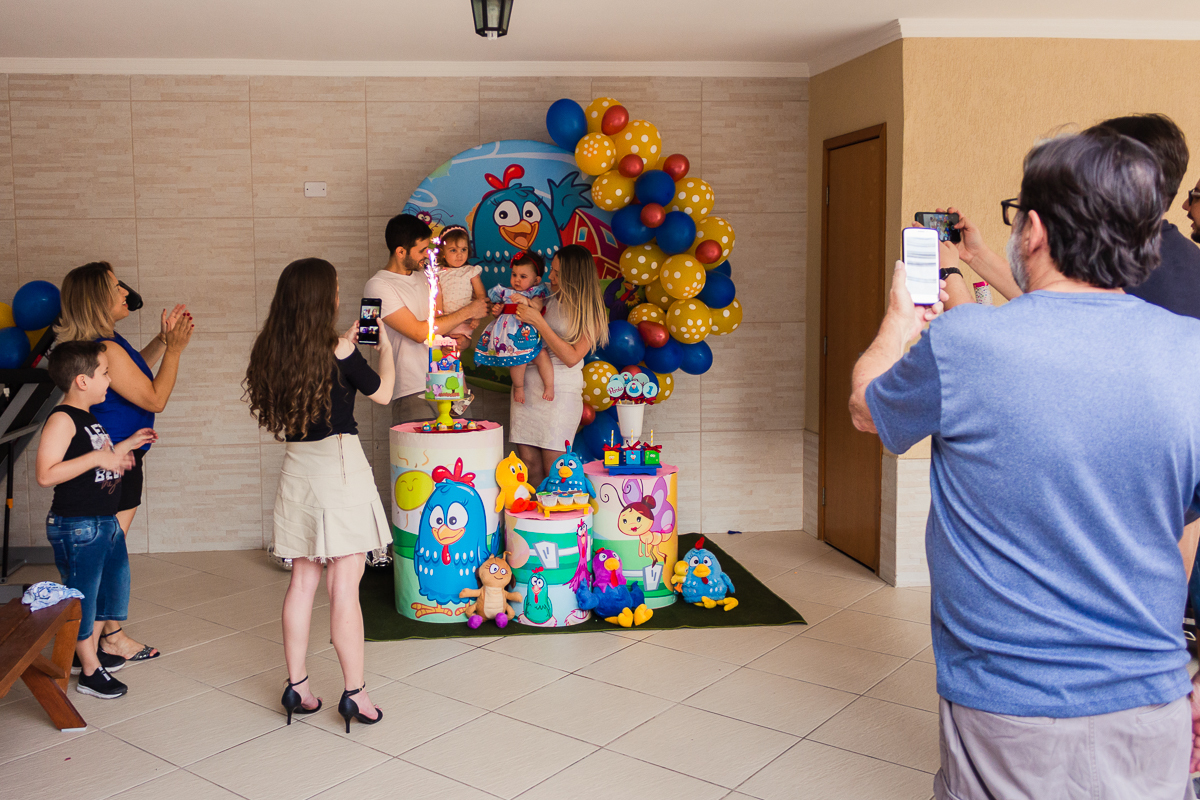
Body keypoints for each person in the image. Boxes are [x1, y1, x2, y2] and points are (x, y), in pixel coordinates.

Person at [848, 130, 1200, 799]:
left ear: (1033, 231)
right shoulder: (1193, 352)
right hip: (1153, 706)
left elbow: (868, 410)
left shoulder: (966, 342)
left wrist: (898, 319)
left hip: (1007, 710)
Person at [244, 258, 395, 731]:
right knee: (343, 587)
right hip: (340, 470)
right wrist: (385, 346)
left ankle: (297, 687)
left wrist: (347, 348)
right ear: (321, 298)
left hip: (297, 472)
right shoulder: (340, 349)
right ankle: (355, 694)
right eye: (334, 289)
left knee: (303, 581)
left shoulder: (271, 350)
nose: (338, 295)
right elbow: (383, 393)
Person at [54, 262, 194, 665]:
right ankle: (83, 652)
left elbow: (132, 374)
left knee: (109, 552)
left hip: (118, 458)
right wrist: (176, 350)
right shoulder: (107, 347)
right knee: (104, 555)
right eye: (116, 287)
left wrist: (162, 341)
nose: (125, 293)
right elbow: (154, 398)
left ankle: (108, 637)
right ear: (97, 299)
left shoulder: (106, 343)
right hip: (113, 463)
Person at [37, 341, 156, 699]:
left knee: (112, 589)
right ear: (82, 381)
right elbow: (46, 474)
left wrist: (125, 446)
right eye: (105, 373)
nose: (110, 379)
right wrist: (98, 460)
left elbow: (97, 460)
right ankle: (90, 670)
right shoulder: (62, 419)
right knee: (85, 598)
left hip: (103, 523)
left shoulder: (90, 419)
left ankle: (88, 653)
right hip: (78, 526)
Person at [365, 214, 487, 426]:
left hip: (451, 383)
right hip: (413, 389)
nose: (427, 255)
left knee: (464, 446)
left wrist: (462, 342)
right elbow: (419, 333)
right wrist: (469, 310)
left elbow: (444, 326)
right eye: (422, 250)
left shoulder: (428, 276)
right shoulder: (377, 286)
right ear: (400, 252)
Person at [509, 244, 608, 489]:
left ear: (573, 276)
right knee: (528, 466)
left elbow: (572, 357)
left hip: (560, 392)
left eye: (557, 272)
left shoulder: (590, 312)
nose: (550, 276)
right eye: (551, 270)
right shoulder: (543, 297)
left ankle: (558, 513)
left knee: (556, 470)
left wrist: (539, 322)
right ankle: (533, 513)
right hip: (526, 386)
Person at [475, 251, 554, 404]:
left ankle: (549, 385)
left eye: (523, 276)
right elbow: (499, 313)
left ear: (536, 280)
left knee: (543, 355)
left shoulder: (534, 293)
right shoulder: (505, 292)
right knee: (518, 362)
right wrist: (497, 311)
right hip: (509, 337)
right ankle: (518, 387)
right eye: (514, 274)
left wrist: (526, 301)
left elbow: (538, 308)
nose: (517, 280)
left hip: (528, 336)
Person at [434, 225, 485, 353]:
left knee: (458, 347)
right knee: (443, 350)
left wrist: (477, 317)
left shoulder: (470, 271)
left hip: (465, 323)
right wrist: (438, 319)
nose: (459, 255)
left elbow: (481, 296)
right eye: (453, 250)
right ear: (442, 252)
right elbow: (437, 297)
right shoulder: (439, 273)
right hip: (445, 321)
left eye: (463, 249)